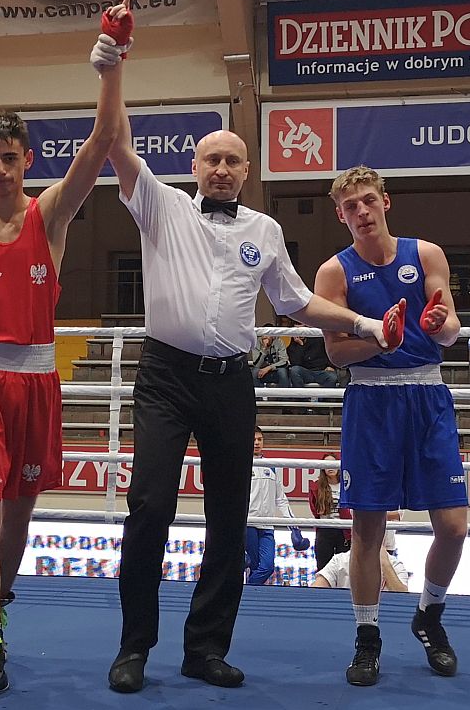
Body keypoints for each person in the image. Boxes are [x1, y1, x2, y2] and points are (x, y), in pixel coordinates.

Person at [105, 113, 404, 690]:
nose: (220, 169)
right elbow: (115, 143)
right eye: (211, 159)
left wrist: (366, 324)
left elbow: (296, 301)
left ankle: (206, 648)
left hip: (229, 383)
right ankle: (134, 647)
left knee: (229, 519)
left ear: (246, 171)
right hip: (165, 377)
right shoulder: (160, 205)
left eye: (232, 161)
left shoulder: (264, 230)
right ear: (195, 167)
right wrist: (111, 66)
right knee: (148, 508)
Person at [0, 0, 132, 704]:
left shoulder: (52, 214)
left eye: (9, 158)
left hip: (38, 382)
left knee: (18, 516)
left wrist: (111, 59)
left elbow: (103, 142)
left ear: (27, 159)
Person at [314, 165, 468, 686]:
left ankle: (429, 615)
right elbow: (335, 353)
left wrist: (435, 323)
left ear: (386, 202)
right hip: (371, 402)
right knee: (366, 529)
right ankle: (367, 637)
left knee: (453, 527)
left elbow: (449, 330)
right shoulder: (334, 272)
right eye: (350, 206)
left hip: (428, 395)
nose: (361, 212)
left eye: (368, 201)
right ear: (341, 215)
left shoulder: (426, 254)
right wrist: (382, 339)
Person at [246, 426, 309, 585]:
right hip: (248, 523)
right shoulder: (241, 465)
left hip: (267, 525)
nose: (256, 443)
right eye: (253, 439)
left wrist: (294, 528)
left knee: (267, 567)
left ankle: (243, 593)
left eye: (259, 439)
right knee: (253, 565)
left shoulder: (271, 465)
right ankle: (249, 601)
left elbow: (281, 499)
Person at [308, 455, 347, 571]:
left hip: (344, 530)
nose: (330, 467)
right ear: (322, 468)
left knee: (344, 568)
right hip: (325, 529)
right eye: (326, 464)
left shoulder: (346, 485)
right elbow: (314, 509)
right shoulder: (316, 486)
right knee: (323, 567)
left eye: (332, 464)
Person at [312, 547, 408, 592]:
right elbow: (314, 592)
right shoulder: (339, 560)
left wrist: (385, 564)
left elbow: (403, 599)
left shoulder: (395, 565)